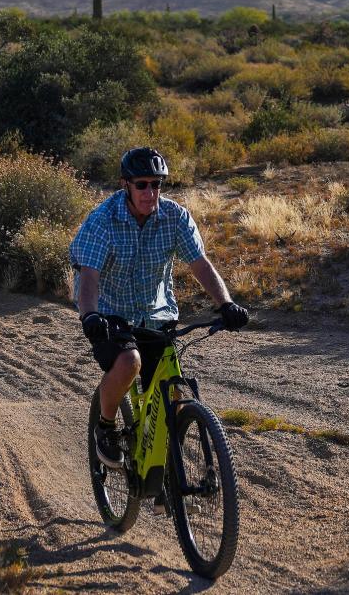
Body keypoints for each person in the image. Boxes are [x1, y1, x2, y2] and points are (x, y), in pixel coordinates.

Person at [69, 146, 249, 472]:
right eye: (142, 185)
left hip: (156, 310)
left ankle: (168, 471)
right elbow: (89, 276)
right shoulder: (102, 221)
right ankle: (106, 428)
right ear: (126, 184)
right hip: (108, 309)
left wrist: (227, 303)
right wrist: (90, 315)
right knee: (129, 361)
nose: (150, 193)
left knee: (175, 393)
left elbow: (201, 265)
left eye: (157, 184)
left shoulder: (175, 217)